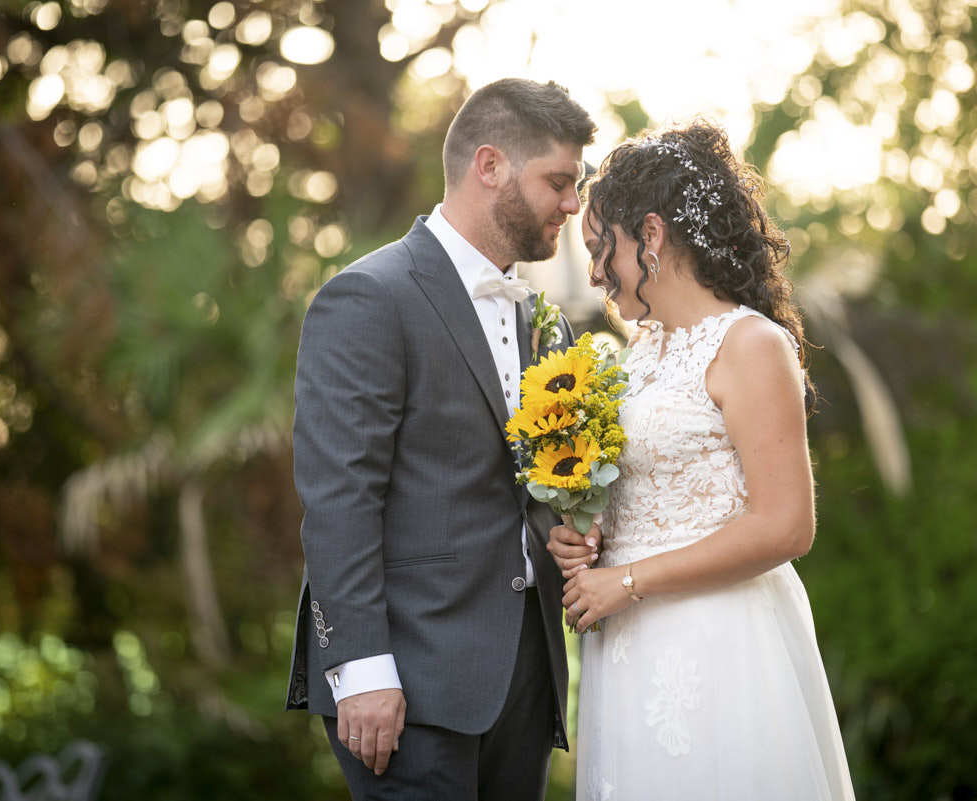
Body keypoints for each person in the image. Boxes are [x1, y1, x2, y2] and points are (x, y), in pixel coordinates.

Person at [285, 78, 596, 800]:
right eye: (559, 182)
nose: (572, 205)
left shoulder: (543, 321)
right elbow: (339, 496)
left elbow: (527, 485)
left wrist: (575, 528)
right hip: (407, 681)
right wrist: (361, 668)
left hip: (525, 673)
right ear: (490, 166)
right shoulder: (369, 297)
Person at [548, 121, 856, 800]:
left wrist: (625, 581)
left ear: (651, 236)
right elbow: (649, 488)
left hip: (716, 644)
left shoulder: (751, 344)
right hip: (628, 647)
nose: (597, 272)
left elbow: (785, 526)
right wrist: (591, 536)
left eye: (604, 249)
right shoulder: (642, 352)